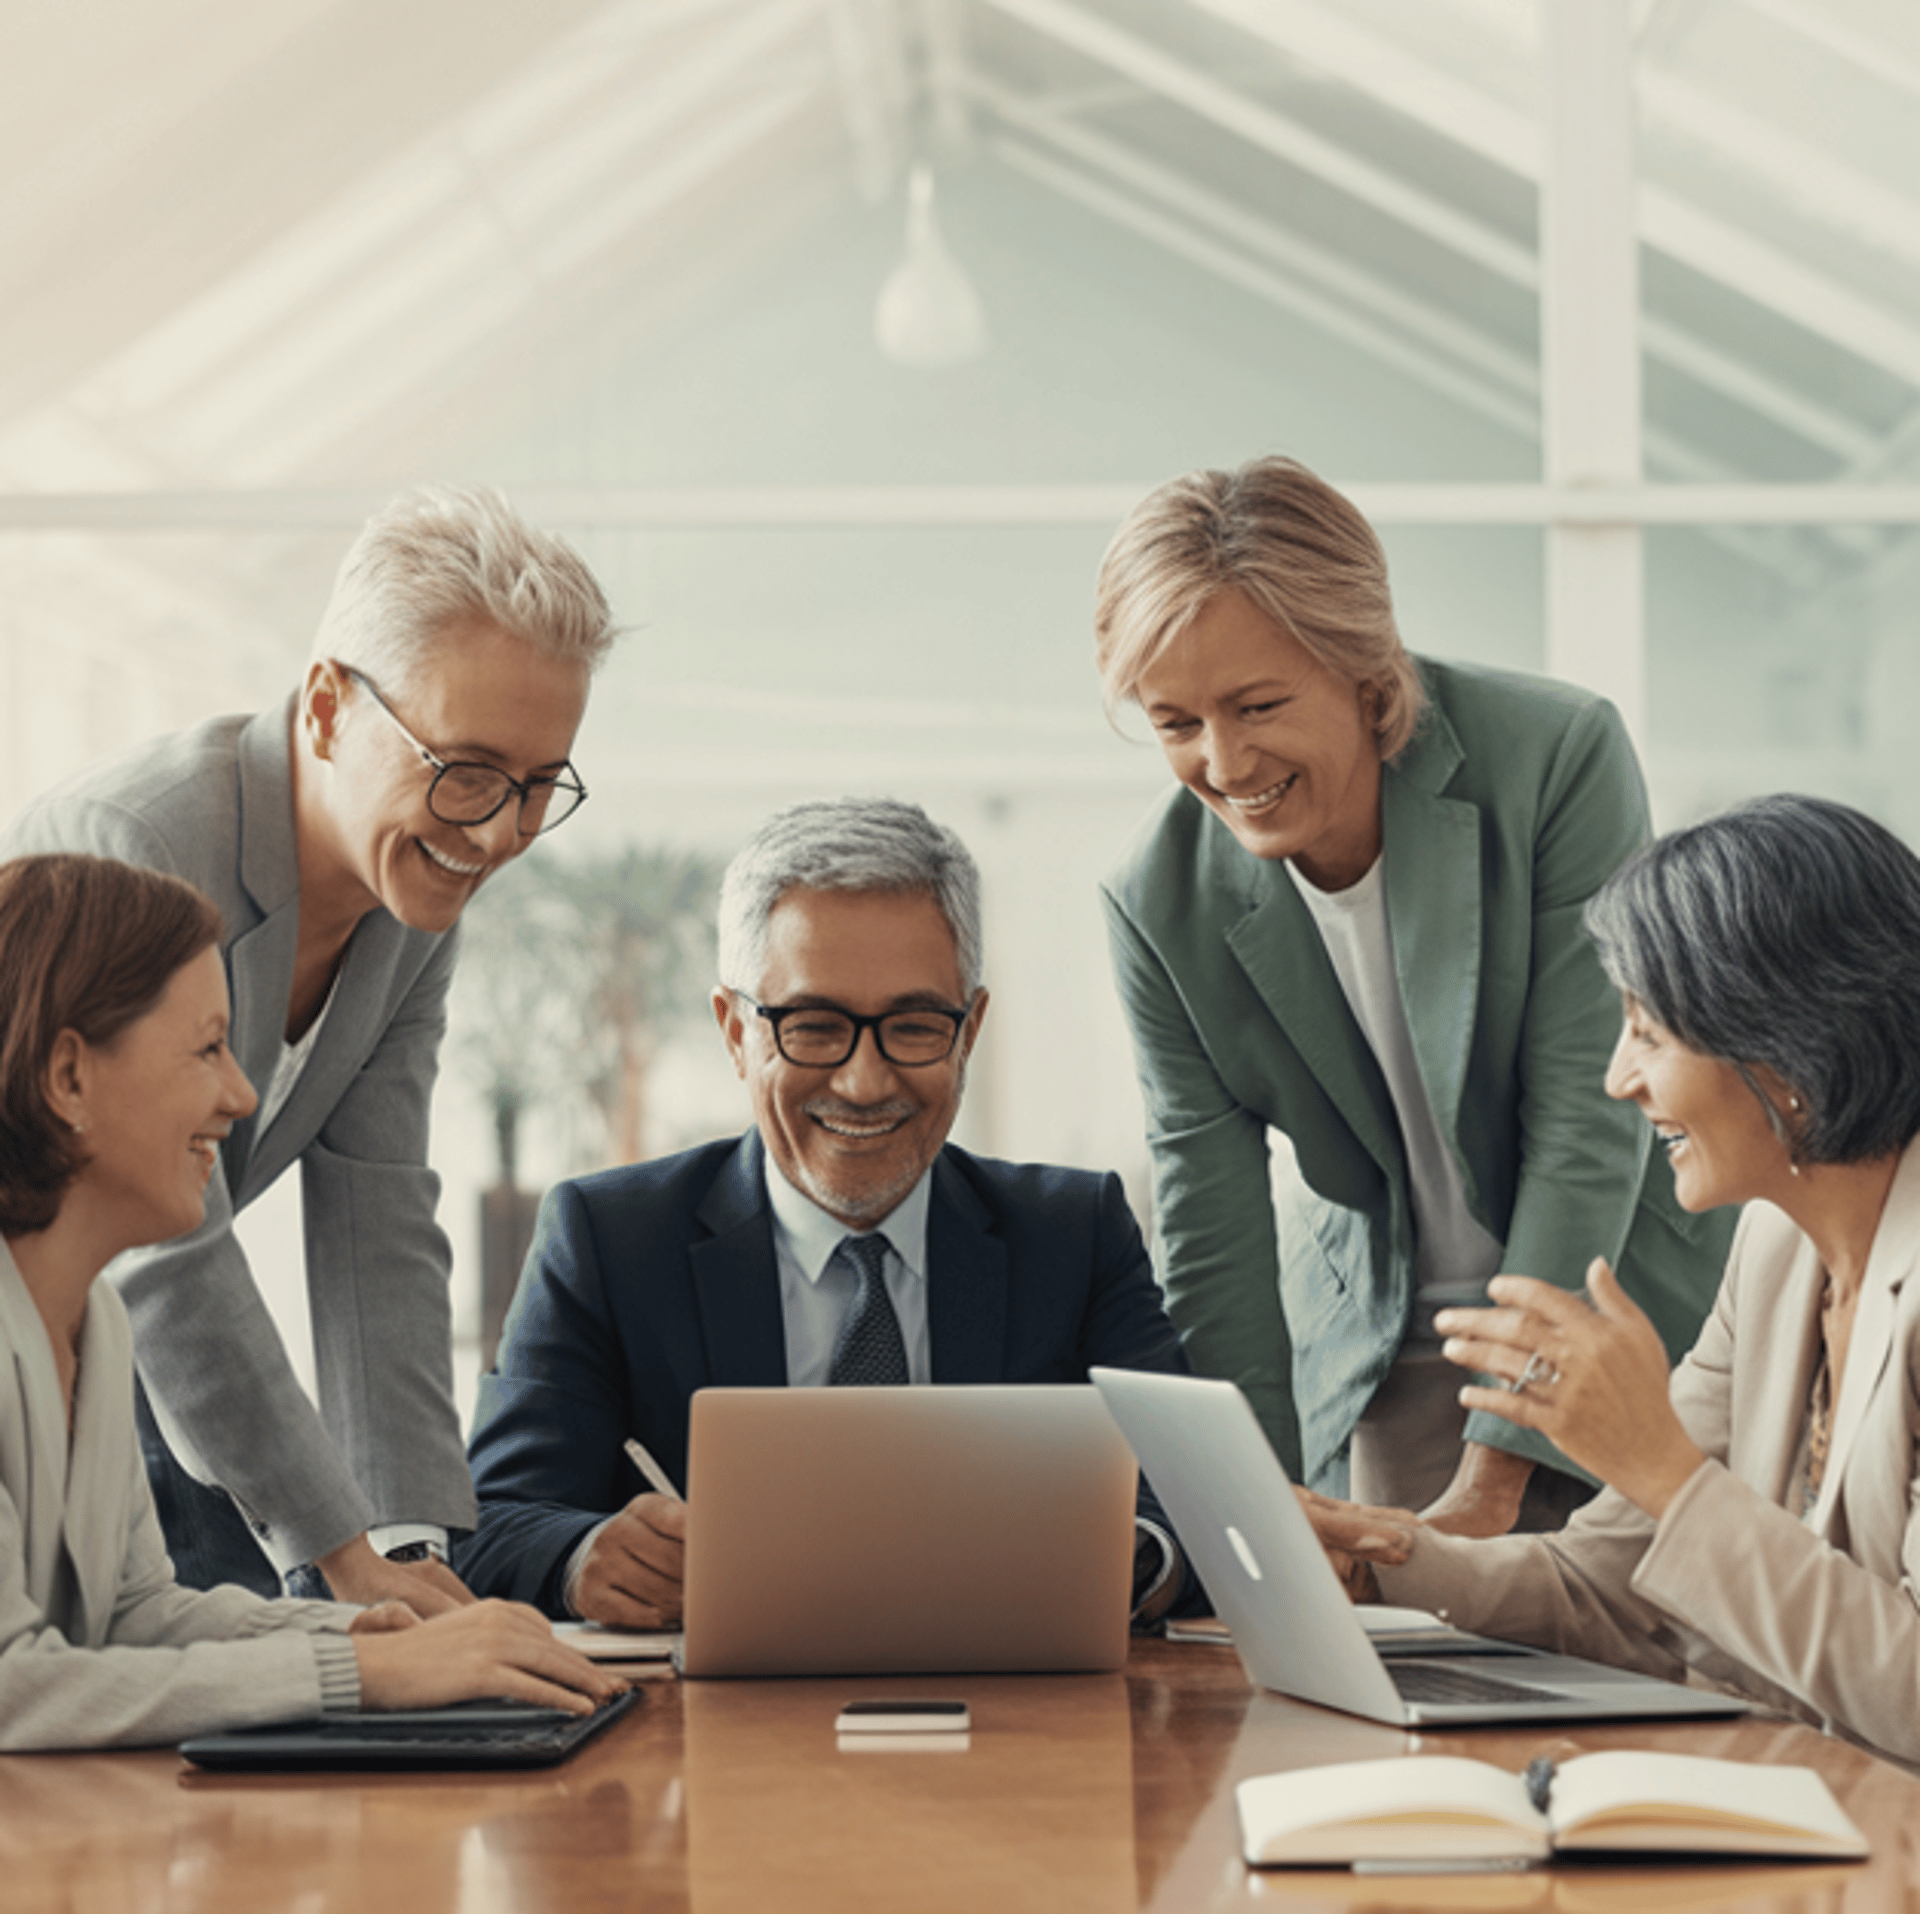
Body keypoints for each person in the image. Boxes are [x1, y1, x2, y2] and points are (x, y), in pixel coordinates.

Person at [1, 484, 616, 1614]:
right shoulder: (137, 844)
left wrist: (415, 1549)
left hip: (142, 1358)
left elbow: (377, 1215)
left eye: (538, 787)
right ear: (330, 707)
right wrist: (341, 1556)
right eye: (468, 770)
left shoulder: (416, 893)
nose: (498, 835)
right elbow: (166, 1242)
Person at [1095, 455, 1733, 1535]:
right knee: (1402, 1672)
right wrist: (1252, 1520)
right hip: (1388, 1336)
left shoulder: (1555, 757)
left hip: (1612, 1291)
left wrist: (1494, 1482)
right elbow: (1213, 1228)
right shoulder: (1156, 900)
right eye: (1174, 723)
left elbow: (1586, 1122)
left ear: (1361, 666)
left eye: (1258, 704)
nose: (1223, 759)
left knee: (1641, 1656)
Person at [458, 797, 1229, 1628]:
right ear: (734, 1030)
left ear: (968, 1031)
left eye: (913, 1025)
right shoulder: (608, 1240)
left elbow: (1195, 1500)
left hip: (1023, 1722)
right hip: (704, 1735)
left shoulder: (1076, 1234)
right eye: (815, 1026)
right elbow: (490, 1522)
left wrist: (1132, 1556)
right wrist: (581, 1558)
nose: (864, 1083)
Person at [1342, 795, 1920, 1765]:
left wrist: (1659, 1464)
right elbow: (1610, 1581)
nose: (1619, 1078)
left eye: (1648, 1034)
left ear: (1788, 1047)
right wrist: (1377, 1563)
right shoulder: (1776, 1251)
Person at [0, 853, 620, 1750]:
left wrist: (373, 1635)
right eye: (209, 1048)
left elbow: (133, 1615)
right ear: (68, 1078)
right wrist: (363, 1677)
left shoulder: (94, 1321)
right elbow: (14, 1686)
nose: (243, 1095)